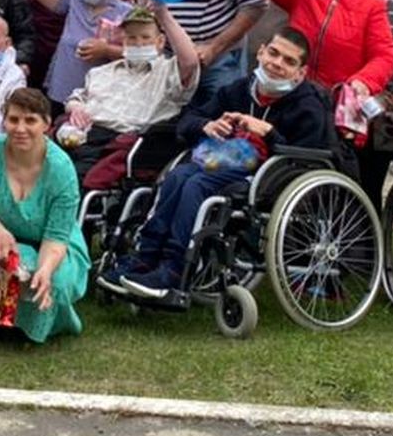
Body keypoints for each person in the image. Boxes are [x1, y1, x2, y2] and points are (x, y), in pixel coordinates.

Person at [105, 26, 334, 303]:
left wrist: (268, 132)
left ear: (300, 73)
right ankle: (145, 259)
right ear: (260, 53)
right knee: (178, 176)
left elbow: (310, 154)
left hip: (269, 176)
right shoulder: (238, 90)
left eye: (289, 61)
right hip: (221, 160)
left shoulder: (308, 105)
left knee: (196, 185)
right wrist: (207, 125)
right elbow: (189, 120)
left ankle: (174, 269)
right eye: (273, 53)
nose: (277, 64)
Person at [234, 0, 393, 199]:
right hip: (301, 102)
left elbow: (383, 56)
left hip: (344, 108)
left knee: (353, 184)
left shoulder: (371, 5)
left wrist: (363, 81)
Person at [0, 88, 89, 342]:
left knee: (49, 279)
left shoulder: (62, 170)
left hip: (52, 242)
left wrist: (46, 269)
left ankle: (40, 327)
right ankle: (0, 322)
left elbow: (56, 237)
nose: (20, 128)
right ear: (4, 122)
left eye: (30, 120)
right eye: (13, 120)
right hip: (0, 236)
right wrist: (0, 232)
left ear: (46, 124)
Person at [61, 2, 199, 188]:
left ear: (160, 42)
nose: (138, 43)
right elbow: (75, 98)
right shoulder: (101, 72)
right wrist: (75, 107)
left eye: (145, 37)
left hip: (120, 144)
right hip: (80, 134)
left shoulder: (168, 73)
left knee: (66, 178)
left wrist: (163, 14)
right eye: (131, 38)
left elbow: (190, 62)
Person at [29, 0, 131, 106]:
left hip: (98, 98)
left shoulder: (125, 12)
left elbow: (139, 54)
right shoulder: (73, 0)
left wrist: (106, 50)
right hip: (60, 92)